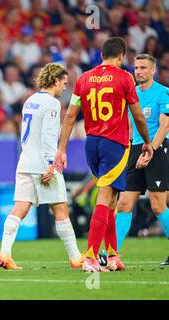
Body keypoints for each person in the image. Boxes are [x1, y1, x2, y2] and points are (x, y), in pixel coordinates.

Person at [54, 37, 154, 272]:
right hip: (114, 145)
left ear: (101, 55)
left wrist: (62, 149)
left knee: (111, 201)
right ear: (121, 56)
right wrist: (147, 142)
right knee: (105, 198)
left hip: (92, 144)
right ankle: (90, 256)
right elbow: (138, 116)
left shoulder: (84, 78)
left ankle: (112, 255)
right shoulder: (124, 78)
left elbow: (69, 117)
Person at [0, 63, 83, 270]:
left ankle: (4, 253)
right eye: (63, 82)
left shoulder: (30, 100)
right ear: (55, 81)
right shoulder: (52, 103)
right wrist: (51, 164)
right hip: (42, 164)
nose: (64, 87)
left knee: (20, 208)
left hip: (25, 161)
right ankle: (75, 257)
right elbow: (48, 136)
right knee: (61, 208)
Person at [114, 54, 169, 265]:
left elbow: (164, 125)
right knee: (124, 204)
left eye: (144, 68)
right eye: (136, 67)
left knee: (158, 205)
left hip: (157, 148)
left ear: (153, 70)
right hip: (136, 149)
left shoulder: (163, 93)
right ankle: (112, 254)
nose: (139, 71)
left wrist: (151, 150)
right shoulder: (132, 94)